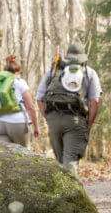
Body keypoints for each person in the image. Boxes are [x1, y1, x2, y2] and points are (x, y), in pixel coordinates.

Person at [36, 43, 102, 175]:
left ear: (66, 55)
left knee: (60, 162)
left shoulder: (53, 71)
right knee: (70, 160)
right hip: (75, 120)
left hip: (53, 120)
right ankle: (70, 194)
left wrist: (48, 118)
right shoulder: (89, 72)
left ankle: (61, 193)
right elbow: (95, 101)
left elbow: (39, 98)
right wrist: (88, 124)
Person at [0, 55, 40, 147]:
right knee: (22, 156)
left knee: (2, 157)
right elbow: (30, 107)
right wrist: (36, 127)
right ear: (18, 72)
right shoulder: (20, 83)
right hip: (17, 124)